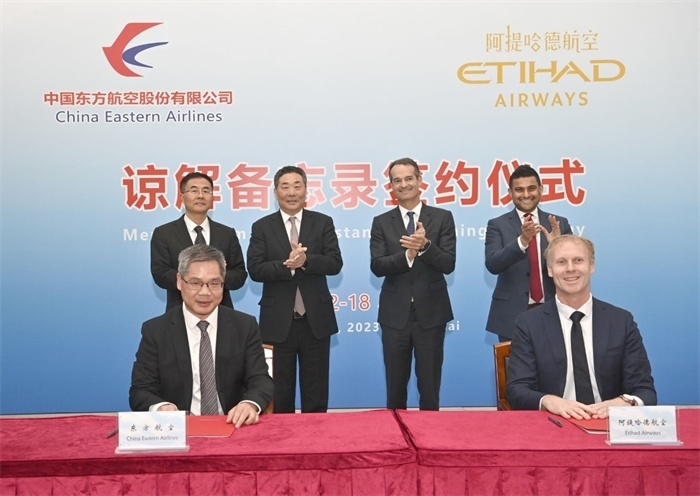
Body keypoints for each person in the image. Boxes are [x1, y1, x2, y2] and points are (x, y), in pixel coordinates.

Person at [506, 235, 656, 419]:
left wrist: (623, 403)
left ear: (591, 266)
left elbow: (644, 391)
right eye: (561, 262)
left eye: (578, 260)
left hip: (606, 422)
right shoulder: (529, 323)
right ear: (550, 270)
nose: (570, 268)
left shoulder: (621, 321)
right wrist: (549, 401)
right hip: (555, 423)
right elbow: (517, 390)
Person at [130, 244, 274, 427]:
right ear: (179, 281)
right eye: (195, 283)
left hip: (232, 425)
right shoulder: (156, 331)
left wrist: (249, 403)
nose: (205, 292)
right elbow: (140, 390)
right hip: (180, 429)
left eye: (214, 283)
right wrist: (160, 407)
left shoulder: (244, 326)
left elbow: (261, 380)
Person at [246, 165, 342, 413]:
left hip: (315, 321)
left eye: (297, 186)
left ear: (306, 190)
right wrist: (287, 266)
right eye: (285, 186)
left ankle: (316, 435)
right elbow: (255, 269)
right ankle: (281, 436)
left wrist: (306, 261)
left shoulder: (322, 222)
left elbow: (334, 263)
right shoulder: (262, 227)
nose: (291, 192)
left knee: (316, 392)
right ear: (275, 192)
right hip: (278, 322)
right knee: (279, 394)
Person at [370, 157, 456, 411]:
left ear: (420, 180)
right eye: (397, 180)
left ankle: (429, 434)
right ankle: (396, 433)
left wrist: (425, 246)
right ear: (391, 186)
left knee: (429, 387)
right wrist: (407, 255)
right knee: (395, 388)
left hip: (432, 314)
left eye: (409, 178)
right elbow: (377, 266)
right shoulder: (381, 222)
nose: (404, 184)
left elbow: (448, 263)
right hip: (394, 315)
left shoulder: (441, 217)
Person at [485, 165, 572, 341]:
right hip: (511, 315)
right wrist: (522, 241)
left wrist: (556, 246)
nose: (526, 194)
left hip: (555, 311)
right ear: (510, 193)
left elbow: (571, 270)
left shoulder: (558, 223)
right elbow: (493, 264)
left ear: (541, 189)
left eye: (531, 188)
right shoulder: (497, 225)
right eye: (519, 190)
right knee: (513, 360)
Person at [150, 172, 247, 310]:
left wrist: (218, 273)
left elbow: (240, 276)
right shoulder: (164, 233)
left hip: (221, 311)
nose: (200, 196)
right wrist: (193, 276)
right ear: (182, 197)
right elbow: (160, 275)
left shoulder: (226, 234)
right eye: (194, 190)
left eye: (206, 191)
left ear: (212, 197)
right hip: (179, 311)